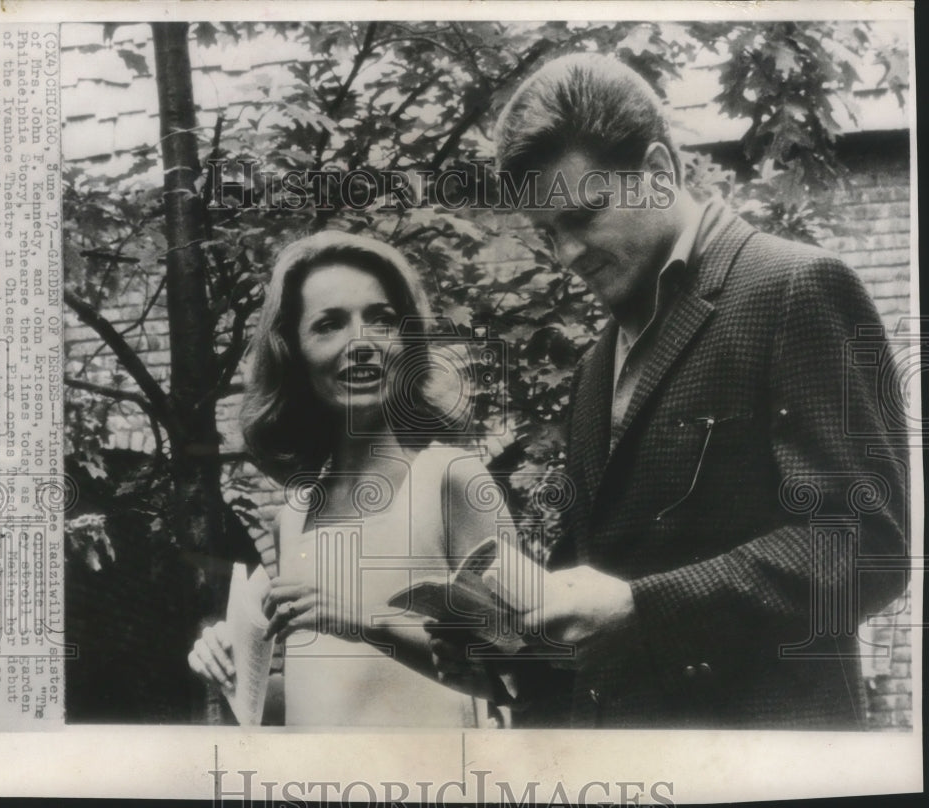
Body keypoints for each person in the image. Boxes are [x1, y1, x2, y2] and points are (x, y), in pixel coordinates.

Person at [433, 53, 908, 729]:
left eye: (586, 213)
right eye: (549, 234)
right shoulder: (599, 364)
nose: (568, 254)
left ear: (657, 173)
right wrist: (515, 655)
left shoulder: (794, 288)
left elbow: (868, 549)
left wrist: (642, 610)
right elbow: (595, 588)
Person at [188, 231, 510, 727]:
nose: (360, 343)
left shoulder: (450, 478)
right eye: (330, 325)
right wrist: (233, 667)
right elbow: (320, 694)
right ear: (292, 351)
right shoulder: (294, 514)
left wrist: (362, 621)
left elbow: (516, 663)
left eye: (380, 320)